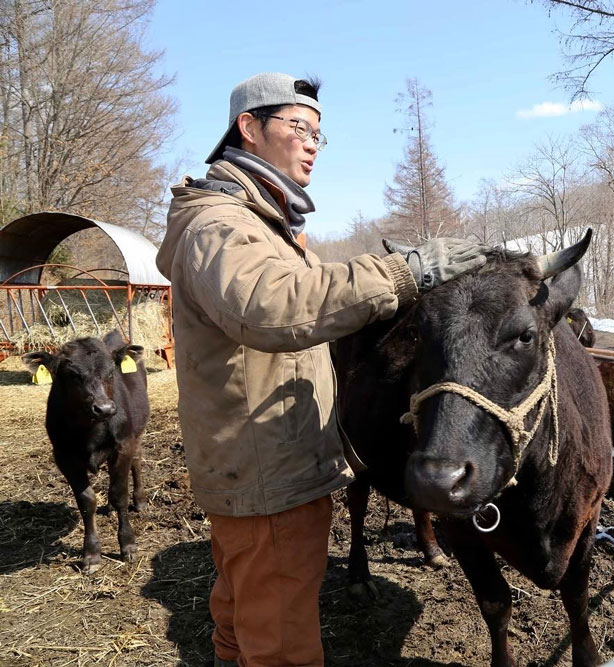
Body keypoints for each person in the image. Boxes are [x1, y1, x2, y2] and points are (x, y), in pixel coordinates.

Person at [154, 73, 489, 667]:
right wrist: (400, 275)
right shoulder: (221, 226)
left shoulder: (263, 226)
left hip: (260, 465)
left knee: (240, 621)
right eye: (298, 128)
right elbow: (273, 304)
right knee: (282, 647)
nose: (312, 143)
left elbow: (307, 297)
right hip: (266, 474)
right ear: (249, 129)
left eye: (319, 134)